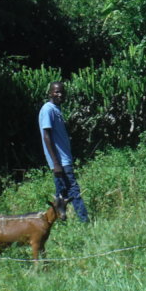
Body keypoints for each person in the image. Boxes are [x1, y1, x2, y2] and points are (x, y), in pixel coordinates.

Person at [39, 82, 90, 223]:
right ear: (50, 93)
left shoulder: (56, 109)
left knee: (61, 195)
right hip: (60, 161)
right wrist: (56, 163)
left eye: (62, 92)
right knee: (73, 191)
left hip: (63, 160)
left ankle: (58, 222)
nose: (60, 94)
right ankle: (85, 223)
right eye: (56, 92)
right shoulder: (47, 109)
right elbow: (46, 136)